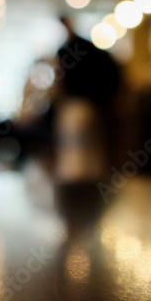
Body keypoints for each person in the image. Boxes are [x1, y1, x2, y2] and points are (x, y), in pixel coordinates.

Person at [51, 15, 123, 180]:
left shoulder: (69, 50)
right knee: (90, 150)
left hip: (77, 107)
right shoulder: (90, 49)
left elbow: (60, 82)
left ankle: (80, 187)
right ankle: (89, 185)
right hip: (92, 106)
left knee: (75, 151)